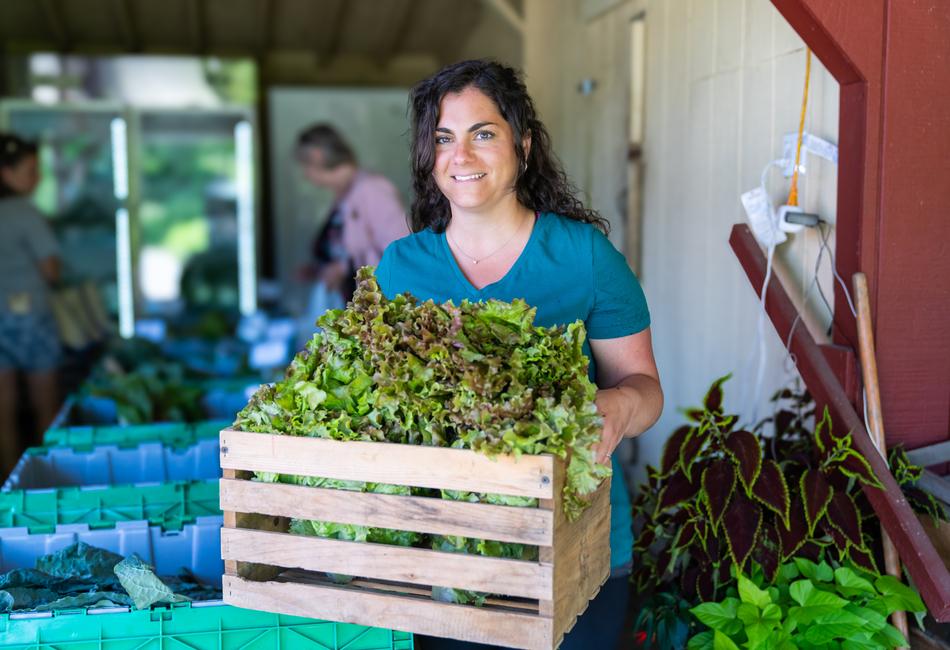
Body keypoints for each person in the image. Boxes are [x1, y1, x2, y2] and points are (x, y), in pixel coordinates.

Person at [375, 60, 664, 649]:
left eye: (483, 133)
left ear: (523, 145)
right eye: (444, 138)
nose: (463, 155)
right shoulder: (399, 268)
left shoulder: (584, 257)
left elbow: (644, 387)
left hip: (575, 547)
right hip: (443, 559)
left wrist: (617, 406)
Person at [0, 133, 63, 474]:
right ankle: (49, 482)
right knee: (47, 408)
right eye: (30, 170)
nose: (37, 178)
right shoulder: (26, 213)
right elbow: (51, 270)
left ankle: (9, 486)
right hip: (31, 318)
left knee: (3, 412)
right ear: (6, 173)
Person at [296, 124, 409, 301]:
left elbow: (400, 251)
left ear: (317, 157)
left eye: (304, 164)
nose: (305, 174)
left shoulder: (371, 189)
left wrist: (342, 268)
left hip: (379, 312)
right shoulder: (345, 194)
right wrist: (318, 270)